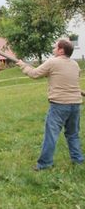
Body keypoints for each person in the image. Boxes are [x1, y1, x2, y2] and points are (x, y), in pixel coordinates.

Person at [16, 39, 84, 171]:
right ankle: (78, 160)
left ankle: (45, 164)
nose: (53, 49)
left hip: (59, 105)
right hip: (75, 104)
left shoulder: (53, 62)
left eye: (55, 47)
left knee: (51, 135)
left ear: (61, 50)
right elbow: (68, 80)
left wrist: (22, 65)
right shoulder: (75, 64)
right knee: (73, 134)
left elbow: (34, 74)